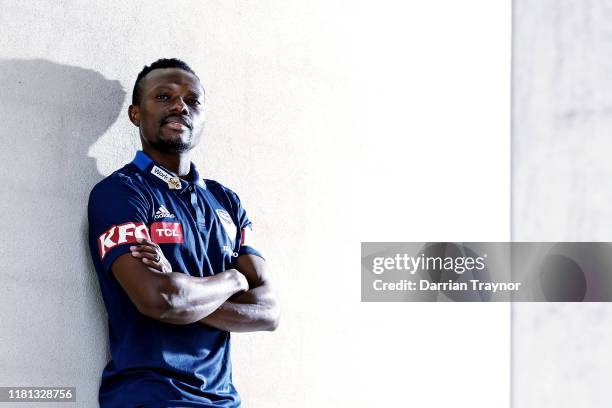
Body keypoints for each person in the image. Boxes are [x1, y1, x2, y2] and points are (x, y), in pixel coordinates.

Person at [87, 58, 279, 407]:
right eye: (163, 96)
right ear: (135, 114)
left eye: (193, 101)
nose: (179, 105)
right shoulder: (120, 193)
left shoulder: (227, 202)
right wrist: (236, 280)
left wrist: (182, 284)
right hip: (150, 397)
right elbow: (161, 300)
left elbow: (268, 311)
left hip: (223, 401)